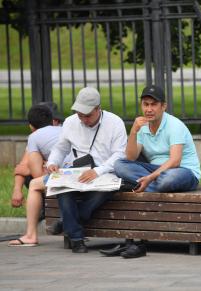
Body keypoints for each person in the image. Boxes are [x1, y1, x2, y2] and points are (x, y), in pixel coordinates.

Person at [10, 87, 127, 253]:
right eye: (80, 115)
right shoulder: (71, 122)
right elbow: (60, 148)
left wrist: (98, 171)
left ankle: (68, 223)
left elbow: (119, 154)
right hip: (77, 172)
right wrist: (52, 162)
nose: (84, 119)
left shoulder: (115, 123)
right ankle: (77, 239)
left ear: (98, 108)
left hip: (105, 172)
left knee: (106, 190)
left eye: (88, 115)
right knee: (63, 189)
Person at [107, 85, 201, 258]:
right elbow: (130, 157)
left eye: (153, 104)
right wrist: (134, 131)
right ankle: (144, 184)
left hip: (183, 171)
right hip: (157, 171)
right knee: (120, 165)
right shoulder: (142, 127)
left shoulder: (174, 125)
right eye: (145, 104)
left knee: (167, 180)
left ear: (163, 106)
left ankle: (135, 185)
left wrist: (150, 178)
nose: (149, 109)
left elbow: (175, 160)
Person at [8, 104, 69, 247]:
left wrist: (30, 170)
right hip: (82, 172)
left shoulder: (34, 137)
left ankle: (31, 235)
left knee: (35, 185)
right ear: (52, 120)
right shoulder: (64, 129)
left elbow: (37, 174)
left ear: (31, 126)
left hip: (65, 176)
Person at [11, 102, 64, 209]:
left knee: (33, 177)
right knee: (28, 177)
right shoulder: (36, 137)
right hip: (51, 175)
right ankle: (44, 207)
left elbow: (34, 172)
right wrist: (17, 191)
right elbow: (22, 166)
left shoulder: (64, 132)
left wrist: (31, 170)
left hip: (65, 174)